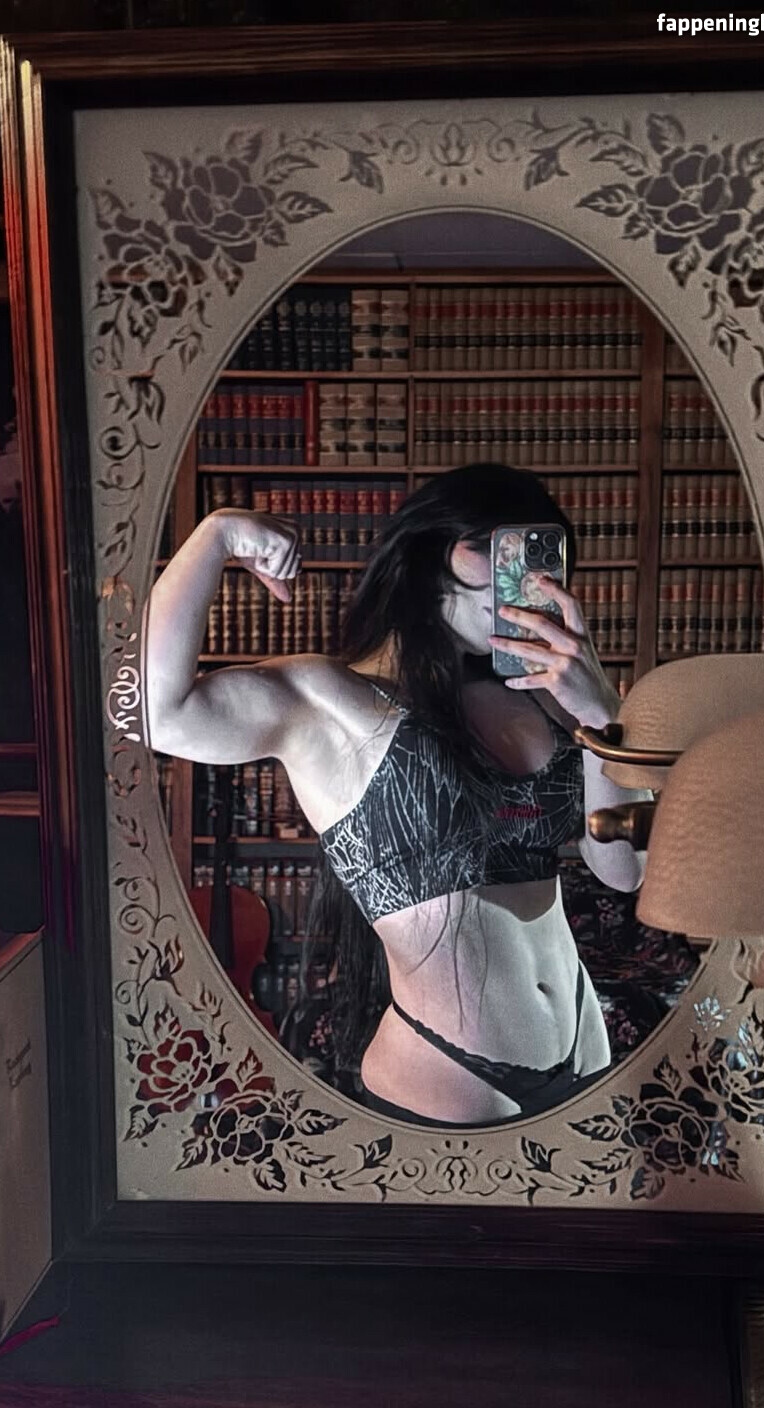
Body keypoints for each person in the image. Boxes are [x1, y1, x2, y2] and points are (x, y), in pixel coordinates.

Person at [144, 462, 648, 1127]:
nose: (525, 584)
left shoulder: (550, 704)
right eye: (496, 550)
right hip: (449, 1073)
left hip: (587, 1052)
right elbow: (154, 715)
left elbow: (623, 870)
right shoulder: (333, 702)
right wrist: (215, 536)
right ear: (431, 553)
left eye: (540, 557)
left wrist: (602, 714)